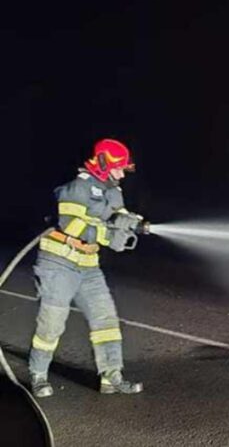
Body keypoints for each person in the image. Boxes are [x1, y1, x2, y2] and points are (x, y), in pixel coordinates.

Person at [29, 138, 144, 397]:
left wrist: (130, 224)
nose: (121, 174)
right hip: (58, 264)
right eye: (117, 168)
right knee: (52, 323)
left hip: (89, 265)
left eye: (123, 169)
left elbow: (117, 217)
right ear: (102, 163)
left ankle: (112, 376)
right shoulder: (78, 188)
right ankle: (38, 375)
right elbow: (70, 225)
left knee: (106, 320)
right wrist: (107, 235)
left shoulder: (114, 191)